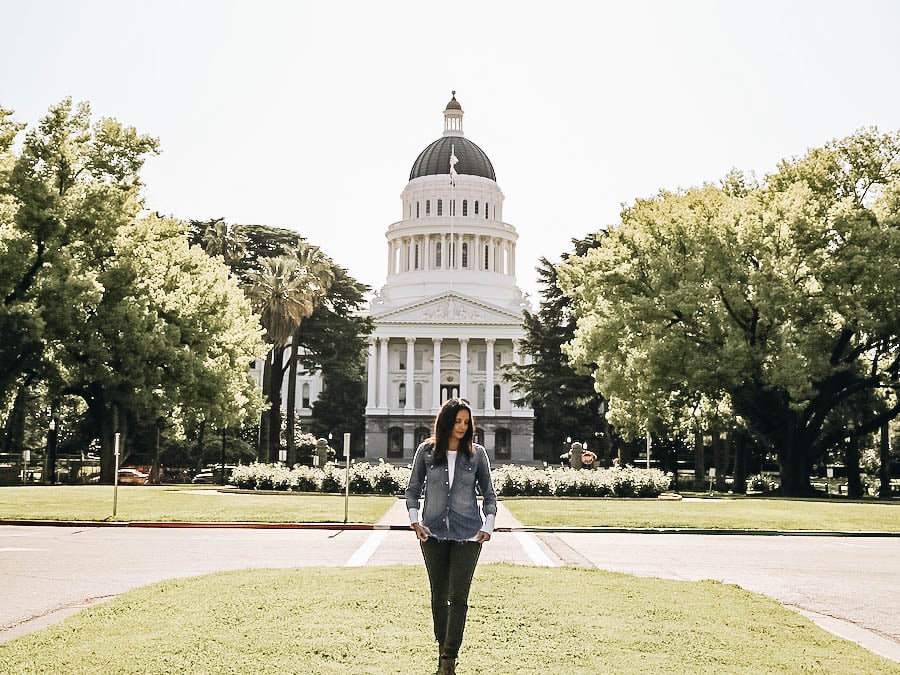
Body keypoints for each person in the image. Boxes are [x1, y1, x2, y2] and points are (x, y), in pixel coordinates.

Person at [406, 398, 497, 675]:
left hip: (468, 535)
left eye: (467, 422)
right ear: (446, 421)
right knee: (438, 596)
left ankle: (448, 657)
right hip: (432, 534)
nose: (462, 426)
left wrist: (488, 525)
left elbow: (490, 495)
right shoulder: (426, 451)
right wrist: (415, 521)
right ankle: (441, 646)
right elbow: (412, 490)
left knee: (458, 598)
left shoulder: (477, 454)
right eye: (458, 421)